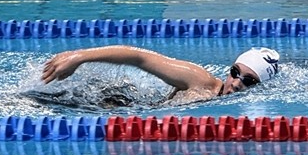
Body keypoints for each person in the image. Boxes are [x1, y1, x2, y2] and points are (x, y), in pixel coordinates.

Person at [41, 45, 281, 106]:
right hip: (116, 105)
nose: (237, 83)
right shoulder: (200, 81)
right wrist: (79, 57)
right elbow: (139, 57)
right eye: (235, 72)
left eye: (249, 81)